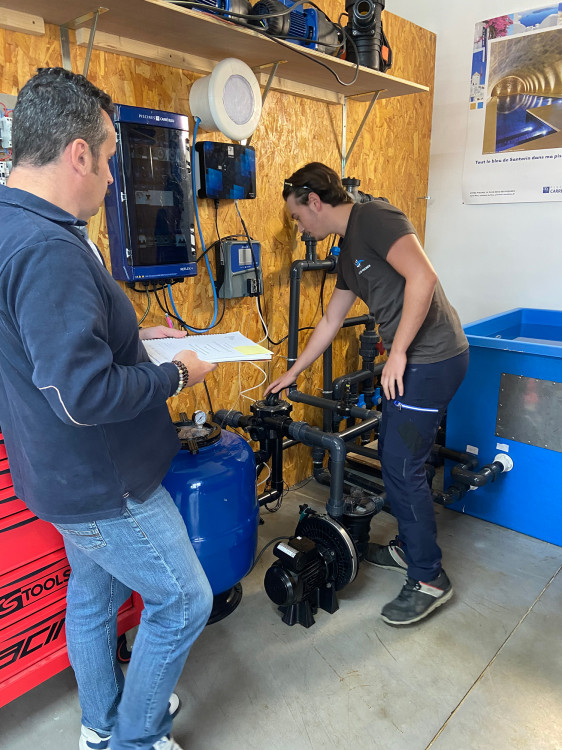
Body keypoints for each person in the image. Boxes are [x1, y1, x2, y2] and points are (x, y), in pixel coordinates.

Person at [0, 67, 217, 750]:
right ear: (78, 154)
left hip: (57, 477)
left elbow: (51, 349)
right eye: (111, 160)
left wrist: (133, 338)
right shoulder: (47, 248)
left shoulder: (15, 219)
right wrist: (176, 374)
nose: (114, 180)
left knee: (92, 598)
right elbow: (81, 394)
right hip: (104, 482)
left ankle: (100, 725)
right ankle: (134, 737)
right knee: (184, 602)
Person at [265, 162, 469, 626]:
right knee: (401, 461)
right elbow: (332, 320)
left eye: (297, 217)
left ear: (314, 202)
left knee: (400, 465)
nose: (299, 228)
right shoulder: (347, 248)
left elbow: (424, 277)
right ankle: (408, 546)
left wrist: (396, 354)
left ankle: (429, 577)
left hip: (431, 360)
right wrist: (294, 370)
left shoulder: (374, 218)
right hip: (415, 362)